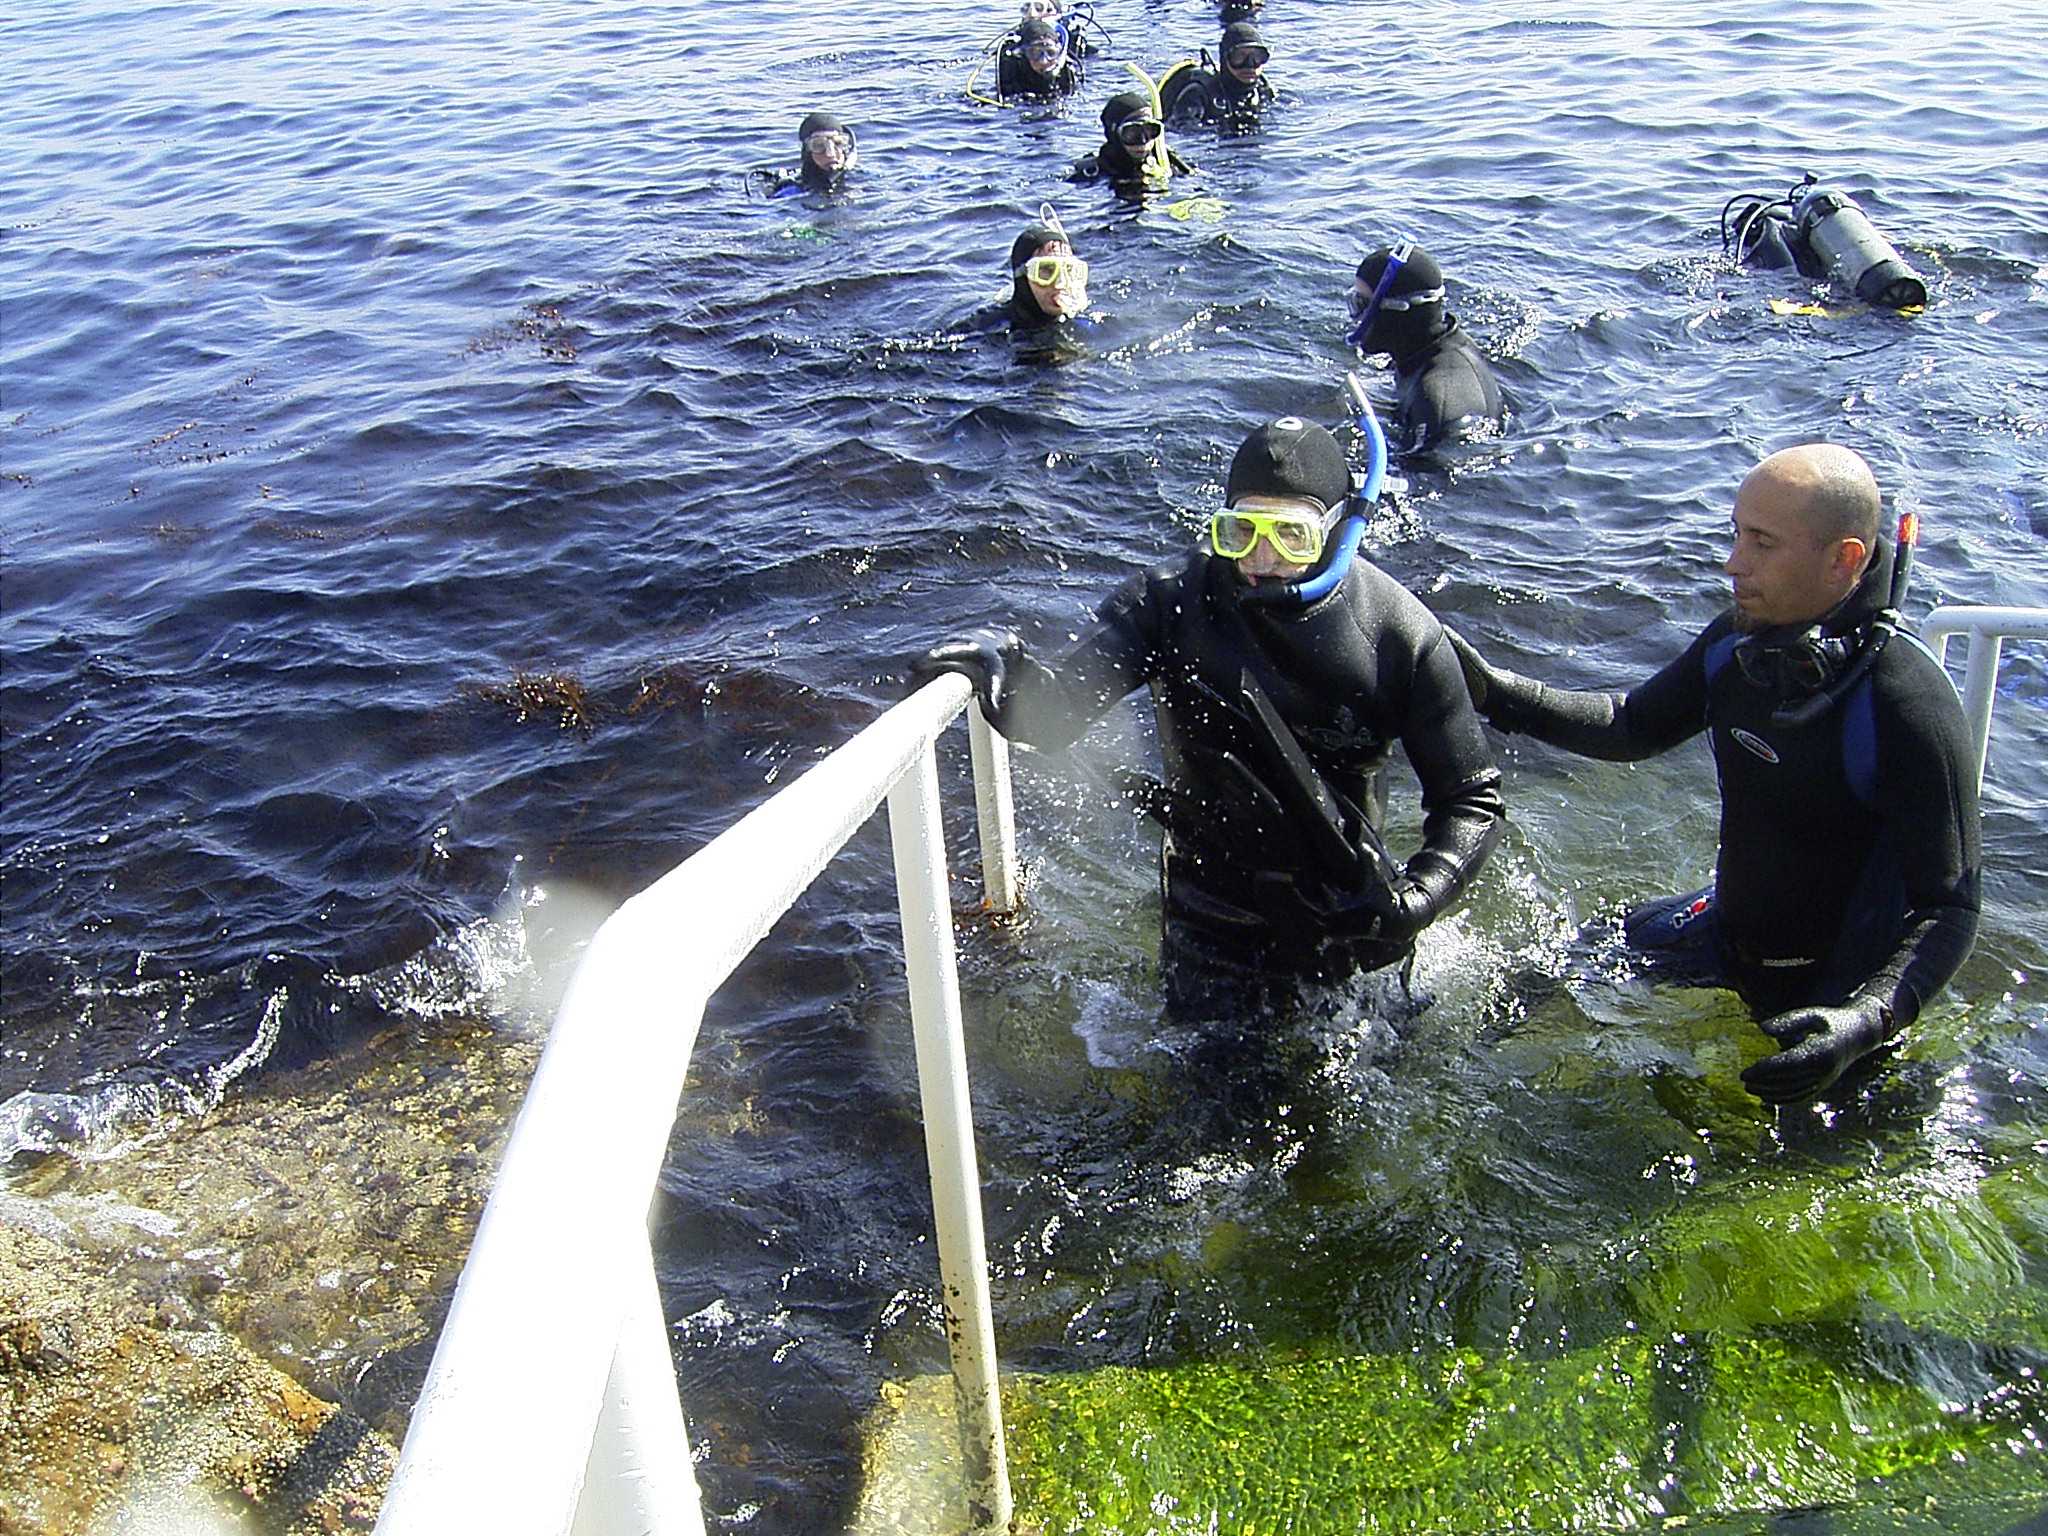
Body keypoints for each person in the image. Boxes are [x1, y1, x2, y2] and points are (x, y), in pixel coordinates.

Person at [913, 418, 1506, 1012]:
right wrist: (1010, 675)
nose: (1262, 558)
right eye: (1240, 531)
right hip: (1207, 912)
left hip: (1346, 910)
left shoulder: (1399, 634)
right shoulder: (1169, 603)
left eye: (1291, 536)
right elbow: (1060, 710)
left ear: (1334, 531)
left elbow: (1471, 798)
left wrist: (1416, 902)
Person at [1448, 444, 1980, 1106]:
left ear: (1844, 558)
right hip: (1725, 932)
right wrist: (1494, 691)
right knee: (1542, 977)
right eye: (1736, 535)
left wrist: (1865, 1022)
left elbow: (1950, 907)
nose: (1733, 563)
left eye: (1762, 543)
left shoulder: (1907, 700)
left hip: (1837, 992)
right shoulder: (1741, 642)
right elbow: (1630, 724)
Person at [1346, 244, 1504, 453]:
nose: (1355, 317)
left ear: (1396, 312)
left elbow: (1432, 478)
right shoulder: (1423, 347)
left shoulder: (1440, 407)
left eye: (1361, 304)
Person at [963, 208, 1092, 342]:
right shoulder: (987, 328)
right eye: (1047, 269)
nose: (1061, 283)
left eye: (1069, 270)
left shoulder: (1087, 325)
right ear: (1022, 277)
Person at [1069, 92, 1192, 198]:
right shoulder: (1093, 174)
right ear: (1114, 134)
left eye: (1149, 131)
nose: (1143, 141)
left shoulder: (1168, 163)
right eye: (1132, 133)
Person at [1160, 20, 1277, 130]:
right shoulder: (1199, 93)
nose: (1249, 65)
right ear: (1225, 59)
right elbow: (1182, 128)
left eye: (1257, 57)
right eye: (1239, 57)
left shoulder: (1263, 91)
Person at [753, 111, 857, 198]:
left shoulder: (861, 179)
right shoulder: (791, 193)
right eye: (819, 145)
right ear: (807, 151)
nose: (830, 154)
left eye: (838, 143)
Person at [996, 17, 1082, 102]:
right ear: (1024, 54)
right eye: (1035, 53)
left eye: (1051, 53)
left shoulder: (1067, 74)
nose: (1044, 61)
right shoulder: (1012, 77)